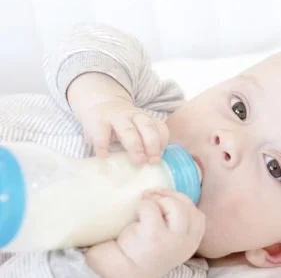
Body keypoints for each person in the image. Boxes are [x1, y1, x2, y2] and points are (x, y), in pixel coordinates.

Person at [1, 22, 281, 277]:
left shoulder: (168, 268)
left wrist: (122, 264)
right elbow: (86, 40)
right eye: (239, 108)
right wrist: (105, 99)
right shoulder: (149, 108)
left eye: (274, 166)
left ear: (273, 249)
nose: (230, 140)